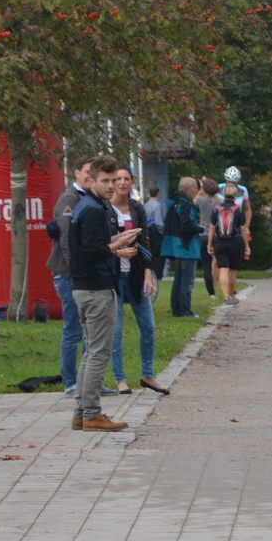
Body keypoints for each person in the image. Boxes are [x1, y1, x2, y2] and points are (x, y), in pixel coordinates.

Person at [68, 156, 132, 432]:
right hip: (95, 289)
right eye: (105, 181)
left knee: (90, 352)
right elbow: (91, 251)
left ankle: (81, 413)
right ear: (90, 181)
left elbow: (92, 244)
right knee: (98, 353)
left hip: (86, 288)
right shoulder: (93, 210)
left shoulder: (89, 207)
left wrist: (117, 239)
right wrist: (117, 247)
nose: (112, 185)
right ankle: (92, 413)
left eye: (114, 179)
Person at [109, 167, 168, 395]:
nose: (122, 183)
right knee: (116, 329)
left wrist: (148, 274)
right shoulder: (104, 209)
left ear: (133, 182)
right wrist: (116, 253)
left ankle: (148, 374)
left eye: (126, 179)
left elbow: (144, 241)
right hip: (114, 276)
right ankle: (120, 379)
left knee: (148, 326)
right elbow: (97, 245)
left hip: (135, 275)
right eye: (117, 179)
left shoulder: (136, 207)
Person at [46, 156, 94, 398]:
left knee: (89, 331)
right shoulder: (69, 199)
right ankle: (70, 382)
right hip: (69, 274)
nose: (90, 176)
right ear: (76, 172)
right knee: (73, 329)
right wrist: (76, 270)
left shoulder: (90, 199)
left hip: (83, 274)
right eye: (87, 171)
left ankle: (88, 382)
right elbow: (65, 240)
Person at [162, 178, 203, 319]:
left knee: (178, 280)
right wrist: (199, 228)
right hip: (187, 247)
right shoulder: (185, 205)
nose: (197, 191)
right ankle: (185, 310)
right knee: (187, 281)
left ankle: (177, 310)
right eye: (195, 188)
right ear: (188, 189)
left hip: (177, 246)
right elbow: (186, 226)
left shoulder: (174, 204)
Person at [208, 184, 248, 304]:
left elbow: (212, 227)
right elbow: (243, 229)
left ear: (224, 194)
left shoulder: (217, 208)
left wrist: (210, 244)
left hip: (219, 241)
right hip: (235, 241)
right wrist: (247, 245)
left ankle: (225, 296)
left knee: (223, 268)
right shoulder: (239, 209)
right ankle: (231, 295)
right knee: (232, 269)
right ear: (235, 195)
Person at [196, 177, 218, 298]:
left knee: (206, 266)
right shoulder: (220, 200)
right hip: (217, 235)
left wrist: (201, 187)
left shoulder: (201, 201)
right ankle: (227, 287)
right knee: (219, 263)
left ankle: (211, 293)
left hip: (203, 234)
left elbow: (194, 199)